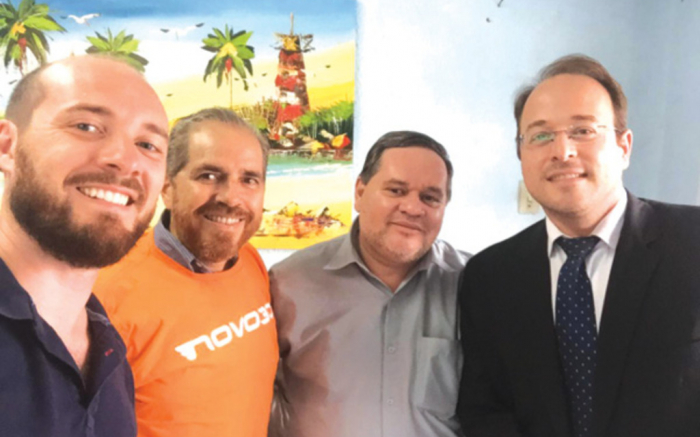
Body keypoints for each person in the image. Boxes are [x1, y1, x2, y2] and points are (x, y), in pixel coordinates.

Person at [457, 54, 700, 437]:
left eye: (583, 130)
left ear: (623, 146)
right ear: (520, 155)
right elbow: (486, 411)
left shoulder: (691, 242)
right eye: (540, 136)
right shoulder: (489, 276)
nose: (562, 151)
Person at [0, 55, 169, 437]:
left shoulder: (107, 346)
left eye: (147, 144)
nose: (125, 160)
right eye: (86, 126)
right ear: (7, 146)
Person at [269, 131, 470, 437]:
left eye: (430, 198)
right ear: (360, 192)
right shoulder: (288, 283)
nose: (413, 208)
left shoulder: (473, 285)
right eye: (396, 190)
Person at [93, 107, 278, 437]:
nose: (231, 197)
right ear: (166, 186)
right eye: (208, 176)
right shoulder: (108, 295)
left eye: (249, 180)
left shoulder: (250, 260)